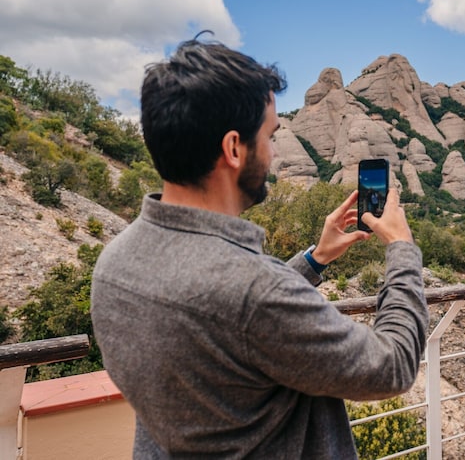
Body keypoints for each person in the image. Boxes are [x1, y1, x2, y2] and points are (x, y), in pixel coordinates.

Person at [90, 36, 429, 459]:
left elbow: (233, 318)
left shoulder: (114, 264)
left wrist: (315, 258)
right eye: (270, 136)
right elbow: (392, 366)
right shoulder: (254, 293)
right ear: (234, 148)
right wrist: (401, 248)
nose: (274, 153)